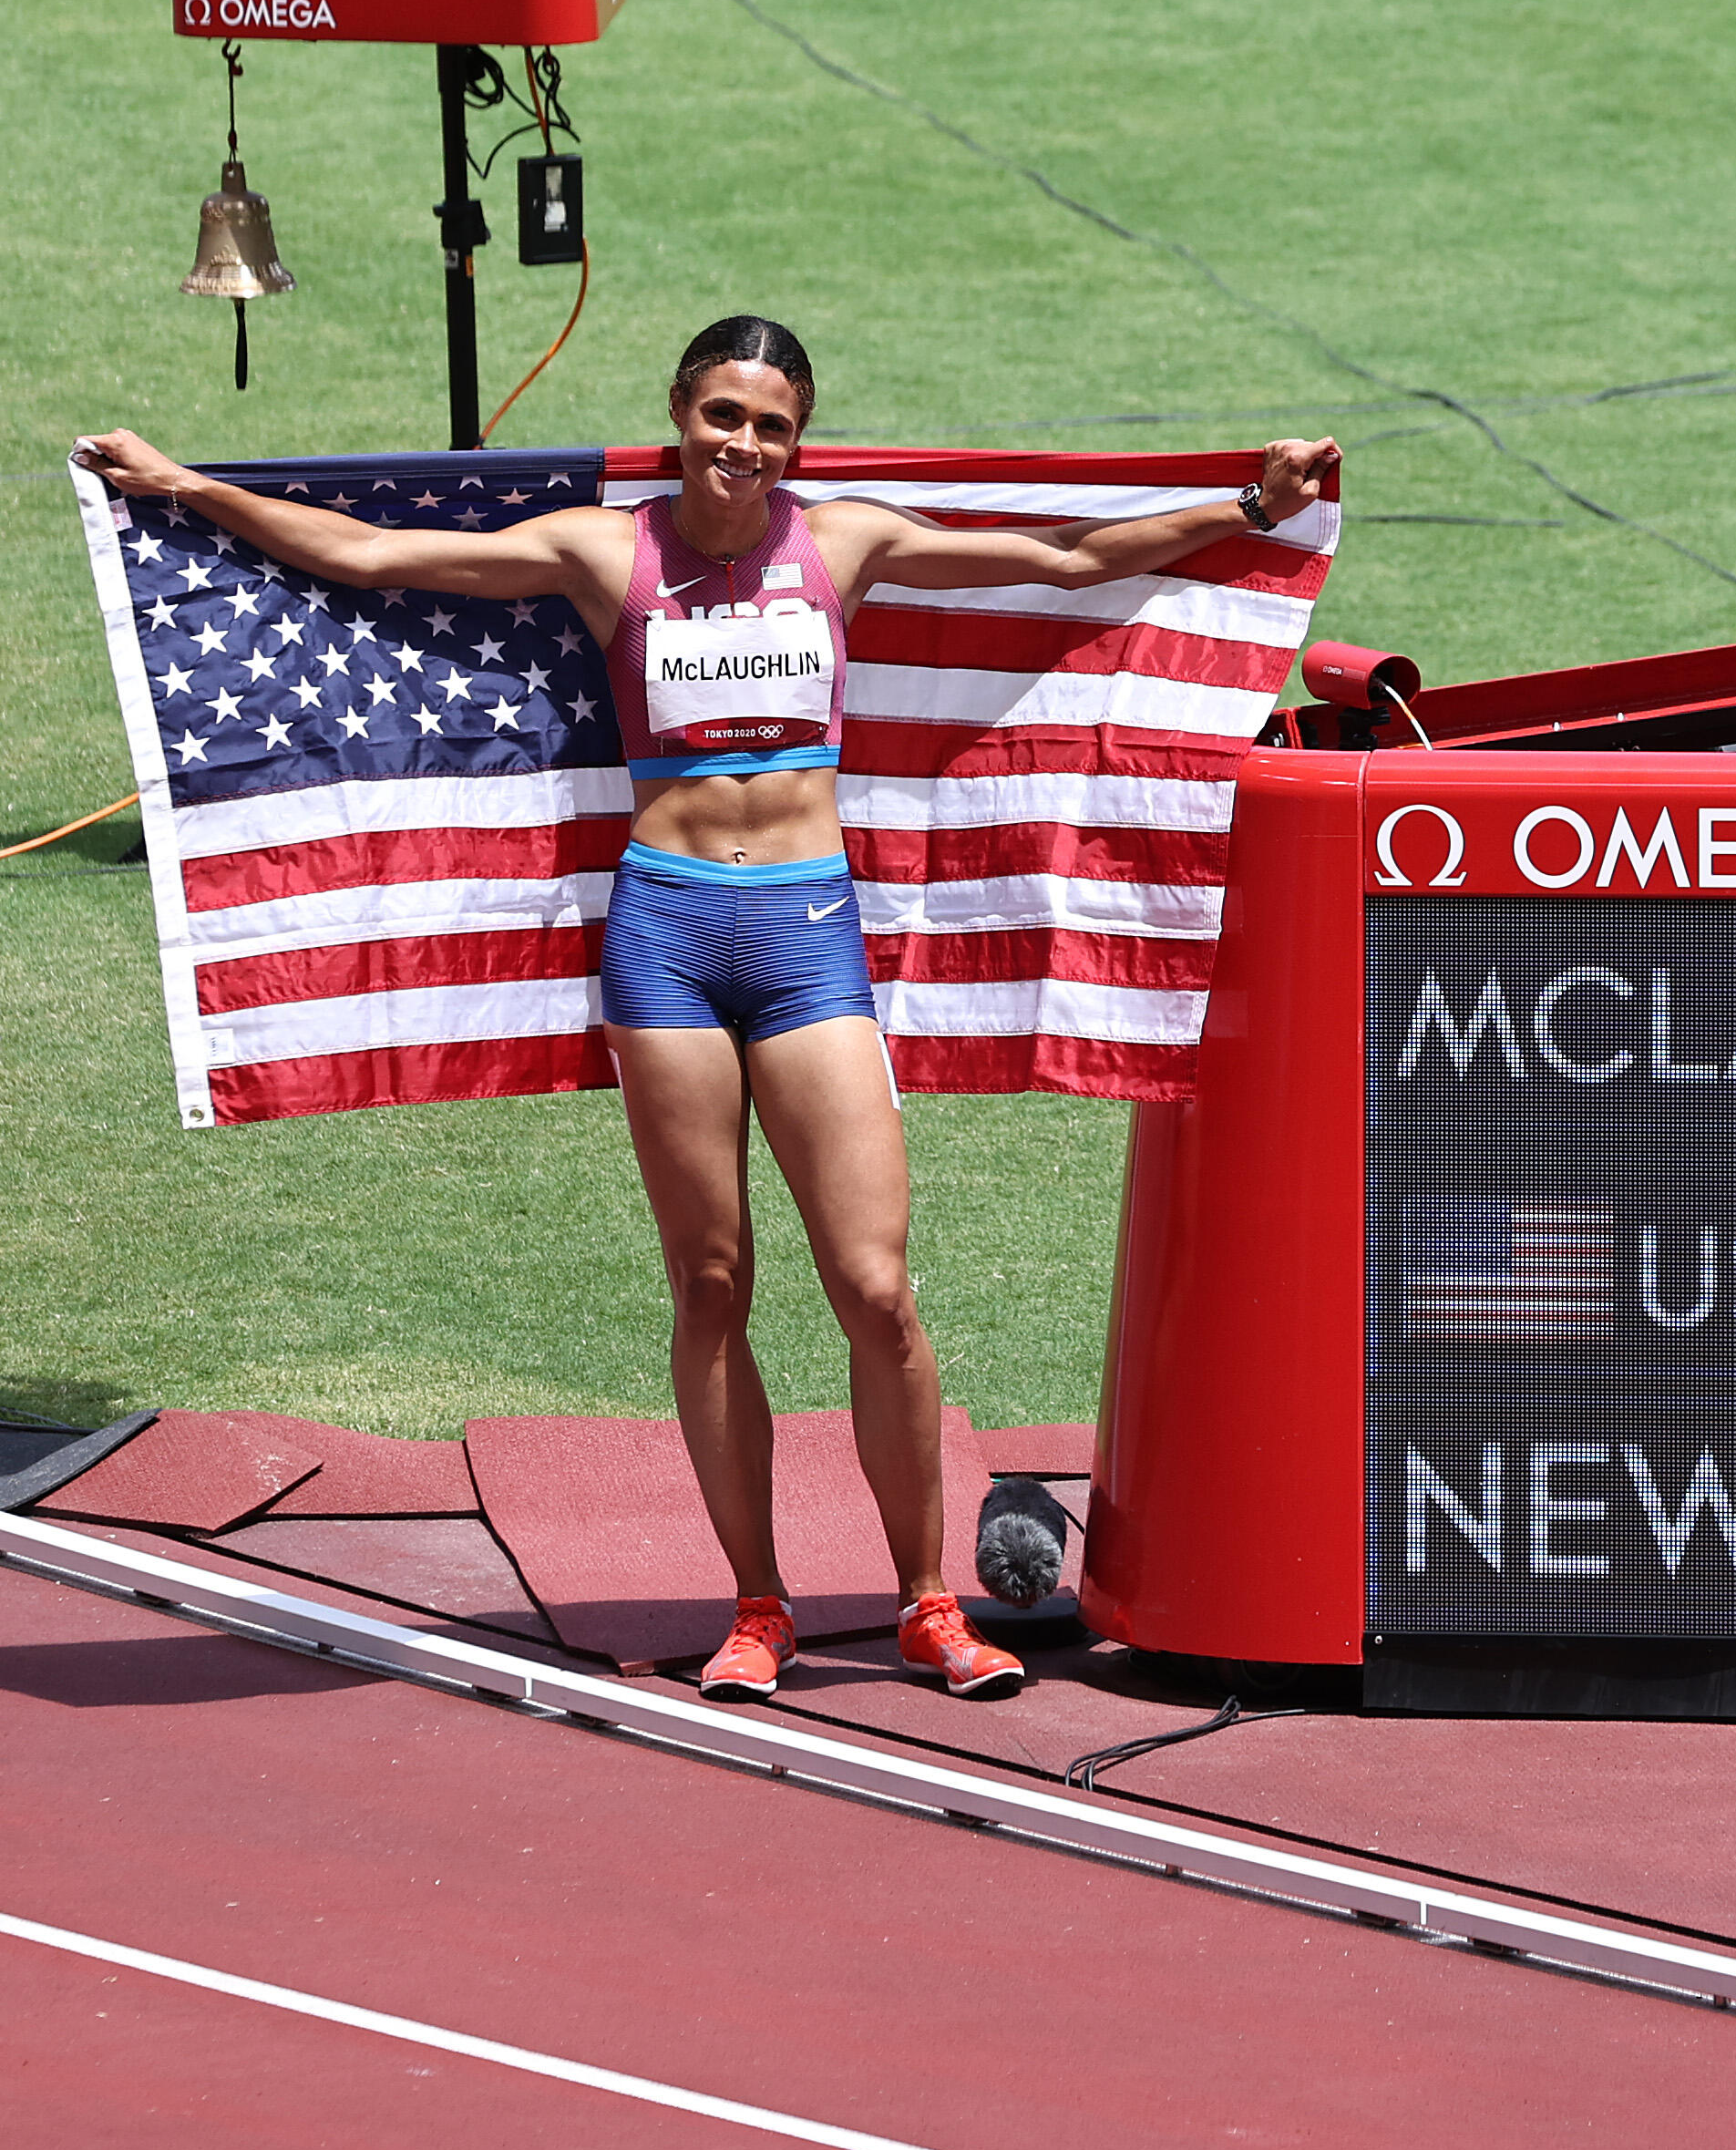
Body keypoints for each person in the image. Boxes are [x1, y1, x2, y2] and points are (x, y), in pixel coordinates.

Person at [78, 315, 1339, 1703]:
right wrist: (180, 483)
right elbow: (373, 556)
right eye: (723, 415)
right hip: (666, 930)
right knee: (712, 1279)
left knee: (874, 1284)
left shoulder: (843, 539)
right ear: (680, 414)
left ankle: (927, 1600)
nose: (743, 445)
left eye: (771, 425)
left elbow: (1064, 563)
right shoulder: (601, 549)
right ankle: (758, 1603)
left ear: (798, 440)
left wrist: (1247, 509)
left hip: (804, 931)